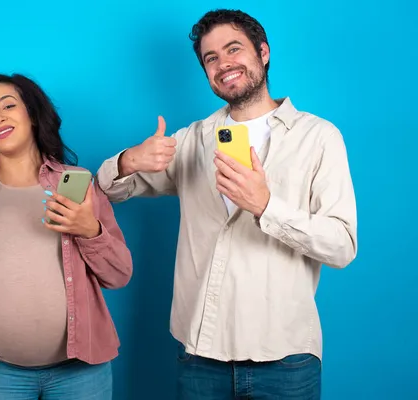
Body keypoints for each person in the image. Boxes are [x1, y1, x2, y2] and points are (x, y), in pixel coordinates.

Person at [96, 9, 357, 400]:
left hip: (285, 359)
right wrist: (129, 160)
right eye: (211, 58)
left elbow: (342, 245)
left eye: (233, 49)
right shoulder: (193, 139)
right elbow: (111, 190)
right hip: (201, 357)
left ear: (263, 53)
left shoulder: (319, 137)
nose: (223, 64)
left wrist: (267, 206)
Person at [0, 73, 132, 399]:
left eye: (8, 106)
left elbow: (119, 274)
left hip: (81, 372)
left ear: (32, 115)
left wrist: (89, 230)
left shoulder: (77, 184)